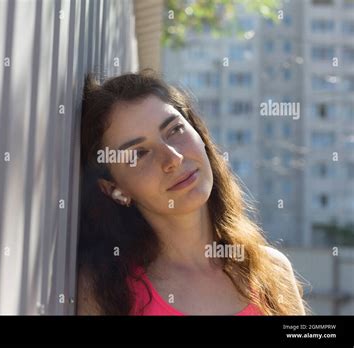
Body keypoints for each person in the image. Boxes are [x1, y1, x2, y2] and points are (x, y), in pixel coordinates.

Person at [77, 70, 307, 315]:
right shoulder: (107, 292)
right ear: (114, 190)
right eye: (139, 154)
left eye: (174, 130)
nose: (173, 158)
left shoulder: (272, 271)